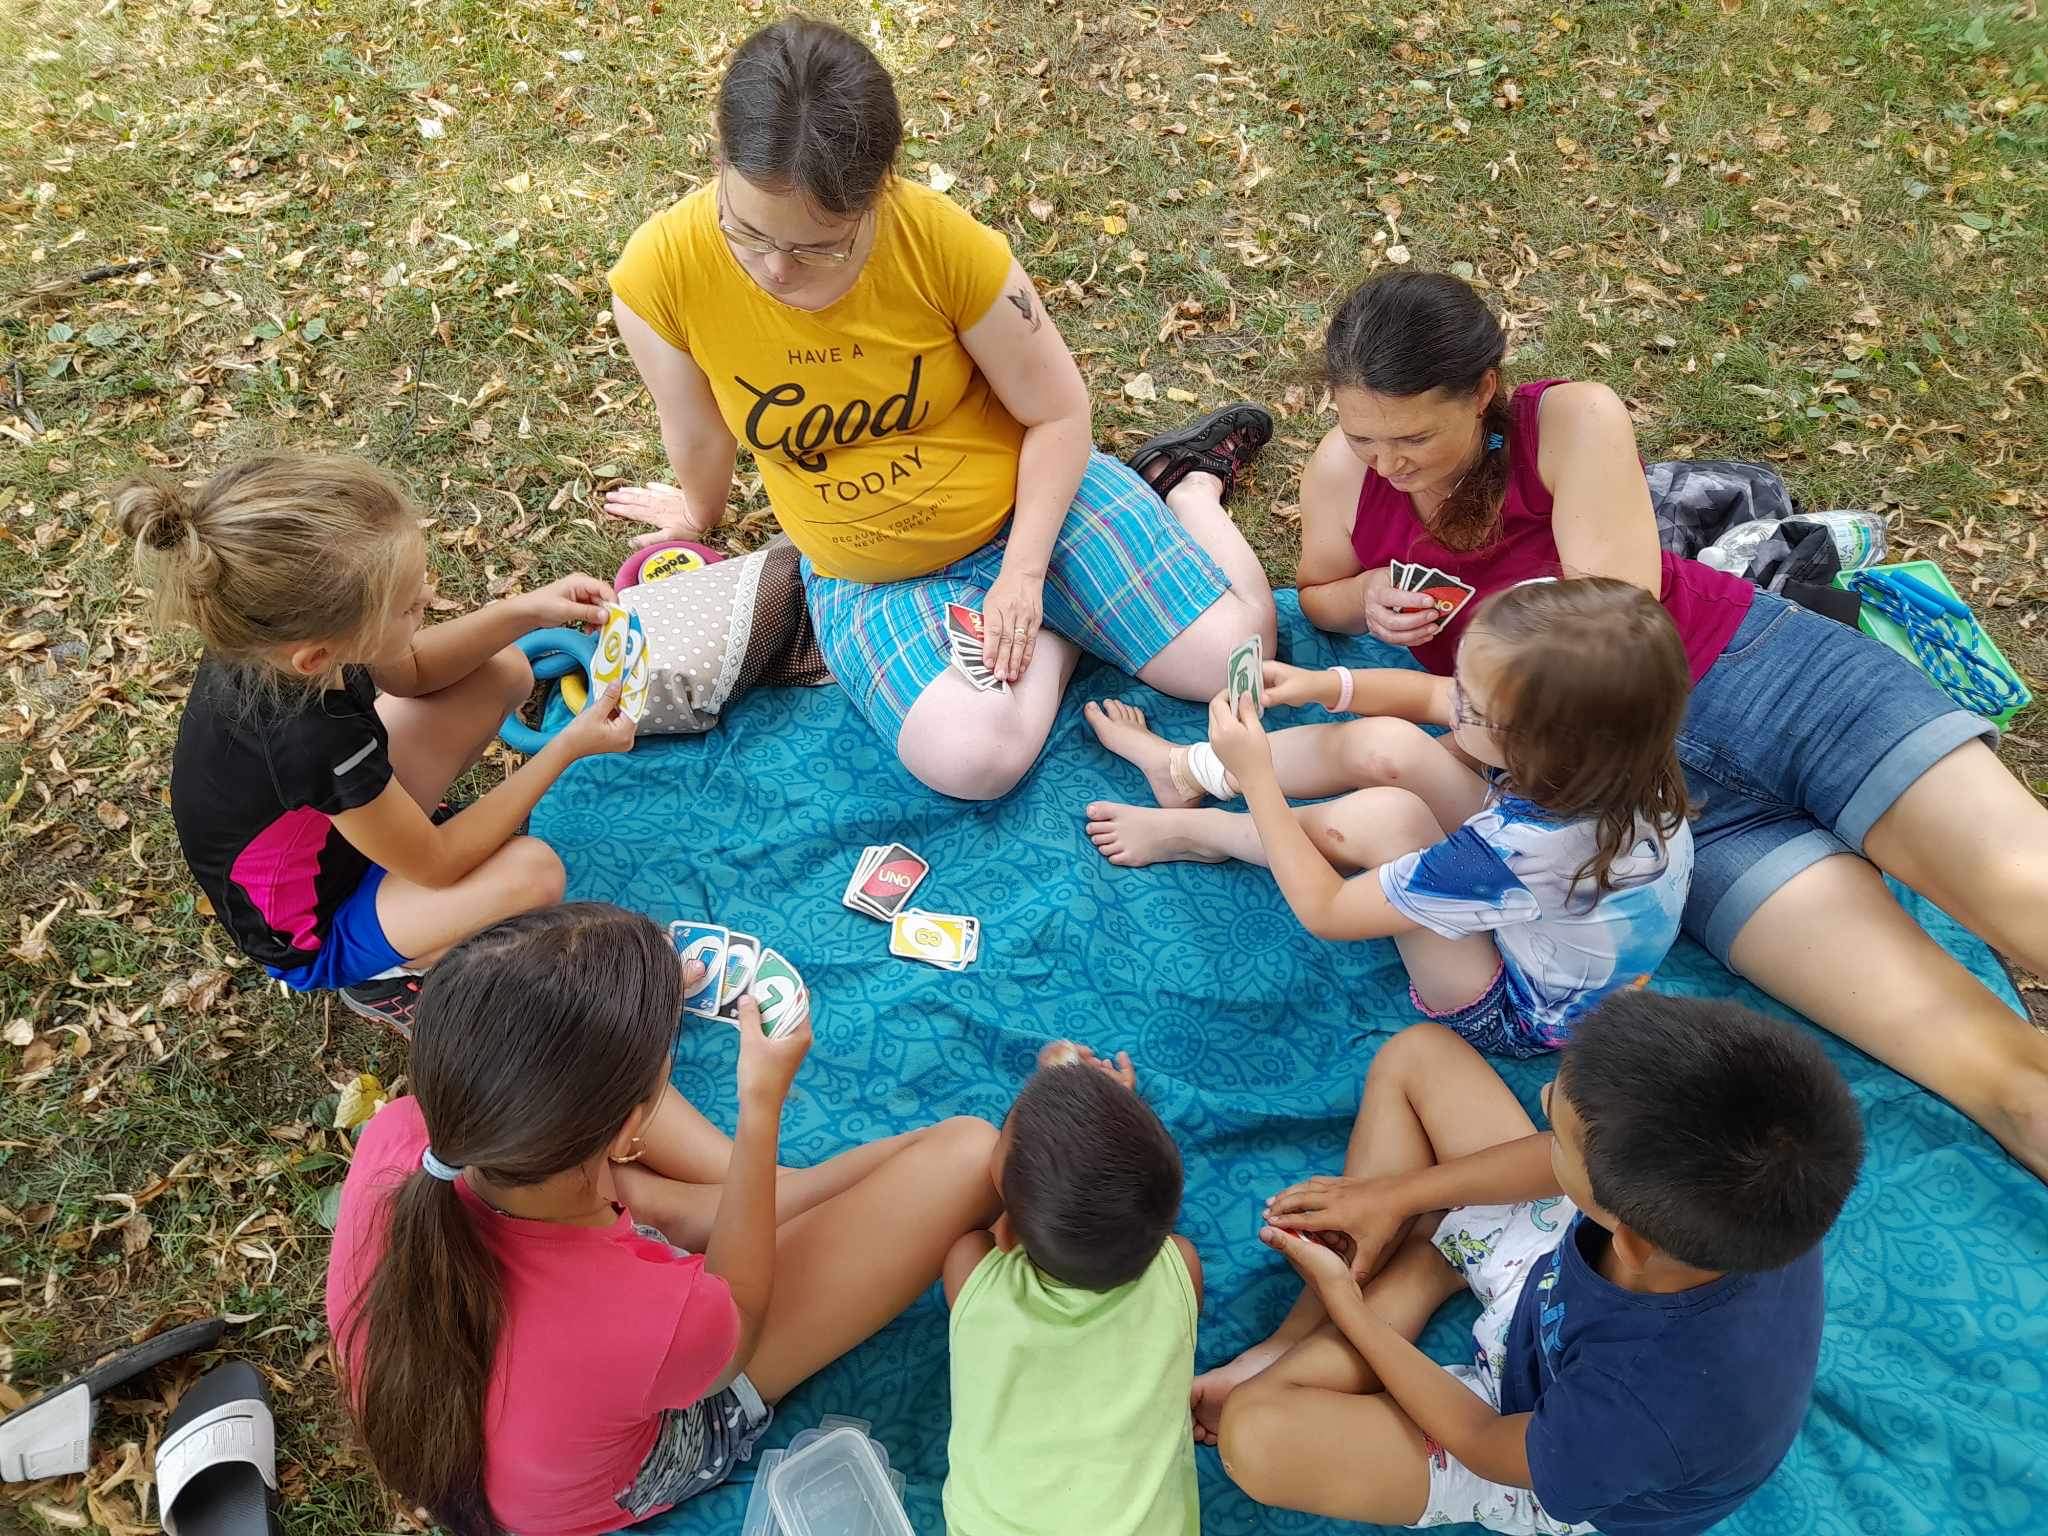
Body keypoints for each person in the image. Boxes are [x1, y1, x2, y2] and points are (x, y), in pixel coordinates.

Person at [1279, 267, 2048, 1177]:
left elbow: (1615, 616)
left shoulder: (1570, 420)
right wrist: (1366, 596)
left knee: (2029, 896)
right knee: (2000, 1078)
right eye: (1362, 436)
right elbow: (1319, 591)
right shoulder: (1344, 471)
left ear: (1483, 391)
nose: (1388, 464)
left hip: (1766, 679)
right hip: (1646, 813)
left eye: (1412, 436)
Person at [602, 17, 1276, 800]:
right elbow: (697, 431)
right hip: (872, 576)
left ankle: (1188, 491)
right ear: (721, 161)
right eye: (747, 233)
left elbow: (1058, 415)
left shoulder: (947, 248)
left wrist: (1024, 576)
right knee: (972, 763)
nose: (776, 271)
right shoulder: (659, 276)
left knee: (1242, 659)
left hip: (1029, 508)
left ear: (879, 190)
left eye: (819, 245)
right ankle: (1070, 630)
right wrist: (696, 514)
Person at [327, 904, 1000, 1536]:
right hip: (633, 1433)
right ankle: (758, 1184)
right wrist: (760, 1108)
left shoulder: (406, 1133)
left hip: (488, 1415)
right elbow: (740, 1308)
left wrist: (611, 1018)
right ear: (628, 1135)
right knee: (971, 1154)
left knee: (594, 1105)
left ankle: (758, 1185)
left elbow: (616, 1203)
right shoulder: (658, 1317)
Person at [1204, 992, 1865, 1536]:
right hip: (1555, 1282)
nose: (1543, 1095)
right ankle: (1397, 1278)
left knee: (1256, 1436)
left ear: (1627, 1240)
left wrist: (1352, 1309)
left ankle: (1421, 1270)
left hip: (1526, 1437)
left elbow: (1483, 1439)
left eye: (1559, 1136)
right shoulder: (1749, 1202)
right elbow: (1566, 1167)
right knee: (1418, 1056)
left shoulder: (1644, 1407)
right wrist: (1391, 1197)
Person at [122, 455, 629, 1035]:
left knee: (503, 672)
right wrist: (566, 747)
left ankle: (403, 851)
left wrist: (525, 610)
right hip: (319, 927)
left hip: (337, 828)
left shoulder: (274, 640)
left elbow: (413, 673)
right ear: (319, 655)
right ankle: (386, 974)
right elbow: (438, 865)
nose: (429, 596)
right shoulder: (310, 739)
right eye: (409, 605)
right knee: (534, 874)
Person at [1085, 579, 1694, 1057]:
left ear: (1534, 745)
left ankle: (1200, 832)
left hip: (1511, 1008)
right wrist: (1324, 684)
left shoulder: (1516, 851)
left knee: (1385, 818)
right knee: (1390, 745)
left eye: (1470, 702)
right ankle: (1186, 770)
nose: (1451, 698)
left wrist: (1259, 778)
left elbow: (1328, 911)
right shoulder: (1621, 754)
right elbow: (1430, 698)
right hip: (1543, 912)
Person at [943, 1042, 1202, 1536]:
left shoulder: (971, 1271)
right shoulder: (1182, 1269)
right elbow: (1123, 1204)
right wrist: (1110, 1126)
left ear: (1007, 1232)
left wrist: (1057, 1088)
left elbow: (995, 1227)